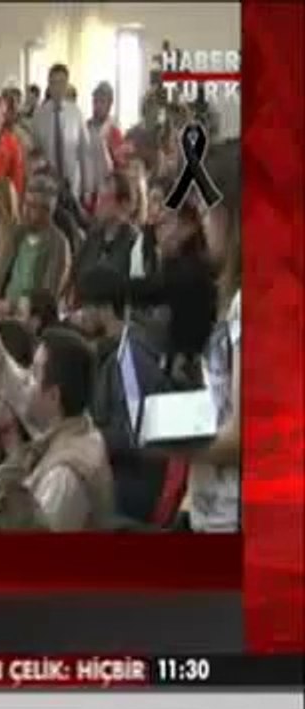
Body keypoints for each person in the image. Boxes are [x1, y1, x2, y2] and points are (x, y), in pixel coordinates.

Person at [0, 326, 114, 530]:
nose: (26, 379)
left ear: (54, 396)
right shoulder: (78, 424)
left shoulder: (62, 479)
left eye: (34, 374)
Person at [173, 141, 242, 532]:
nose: (200, 220)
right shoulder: (235, 297)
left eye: (206, 208)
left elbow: (244, 435)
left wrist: (169, 444)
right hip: (210, 506)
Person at [75, 264, 171, 524]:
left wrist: (87, 439)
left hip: (133, 485)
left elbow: (136, 433)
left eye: (85, 307)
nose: (80, 315)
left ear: (104, 308)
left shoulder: (131, 358)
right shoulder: (122, 348)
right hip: (119, 473)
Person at [128, 193, 217, 387]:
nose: (161, 233)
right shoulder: (171, 262)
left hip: (192, 369)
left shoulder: (191, 269)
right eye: (158, 226)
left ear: (188, 226)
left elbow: (150, 294)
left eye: (166, 223)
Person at [0, 175, 71, 316]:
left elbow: (48, 295)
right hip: (3, 311)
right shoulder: (18, 233)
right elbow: (1, 275)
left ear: (47, 211)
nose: (25, 211)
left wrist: (12, 306)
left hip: (33, 317)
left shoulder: (59, 243)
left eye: (32, 207)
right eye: (25, 203)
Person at [30, 64, 93, 210]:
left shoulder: (76, 113)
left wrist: (87, 188)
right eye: (54, 83)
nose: (57, 88)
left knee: (71, 219)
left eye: (61, 83)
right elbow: (35, 152)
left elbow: (85, 153)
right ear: (49, 85)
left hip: (72, 183)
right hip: (48, 185)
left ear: (66, 85)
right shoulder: (39, 115)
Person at [68, 171, 138, 295]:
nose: (98, 204)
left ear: (124, 204)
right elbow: (76, 276)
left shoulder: (134, 243)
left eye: (105, 198)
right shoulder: (92, 238)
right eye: (98, 197)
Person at [87, 82, 126, 211]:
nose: (97, 105)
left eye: (102, 101)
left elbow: (120, 166)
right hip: (86, 188)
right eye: (95, 101)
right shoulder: (85, 127)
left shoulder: (114, 132)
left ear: (110, 104)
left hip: (106, 192)